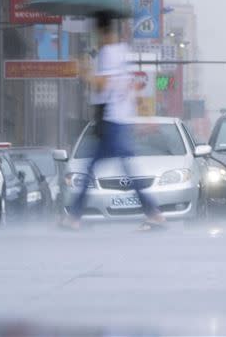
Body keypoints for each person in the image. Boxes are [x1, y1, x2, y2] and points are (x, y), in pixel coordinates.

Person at [60, 13, 166, 231]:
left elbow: (103, 84)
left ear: (102, 32)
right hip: (118, 120)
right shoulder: (121, 51)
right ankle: (76, 217)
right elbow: (130, 88)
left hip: (112, 121)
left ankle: (75, 217)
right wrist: (144, 116)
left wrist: (84, 71)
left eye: (96, 33)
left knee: (101, 168)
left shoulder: (108, 53)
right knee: (103, 168)